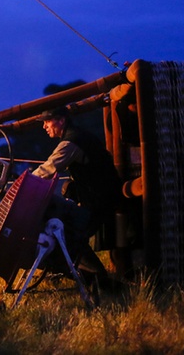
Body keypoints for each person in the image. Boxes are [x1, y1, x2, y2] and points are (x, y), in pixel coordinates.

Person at [33, 106, 122, 289]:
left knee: (70, 235)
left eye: (47, 121)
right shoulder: (77, 136)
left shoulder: (71, 142)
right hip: (101, 196)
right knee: (71, 234)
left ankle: (101, 281)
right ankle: (91, 278)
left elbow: (47, 169)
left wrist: (23, 183)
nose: (44, 127)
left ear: (61, 121)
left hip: (101, 198)